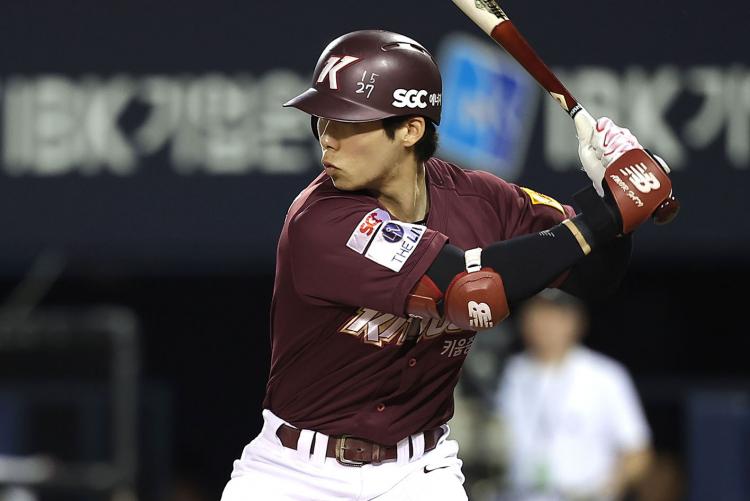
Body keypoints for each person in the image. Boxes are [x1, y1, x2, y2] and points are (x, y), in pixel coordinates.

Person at [220, 29, 674, 501]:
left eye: (348, 121)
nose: (326, 140)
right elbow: (470, 290)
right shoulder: (320, 220)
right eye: (322, 120)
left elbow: (595, 277)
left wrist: (611, 202)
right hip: (295, 471)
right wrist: (607, 215)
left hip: (418, 472)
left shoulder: (481, 200)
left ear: (410, 129)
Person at [495, 290, 654, 500]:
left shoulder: (604, 375)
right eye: (537, 311)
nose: (544, 323)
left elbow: (637, 453)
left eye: (555, 314)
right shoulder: (508, 372)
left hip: (582, 495)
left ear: (576, 321)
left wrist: (607, 489)